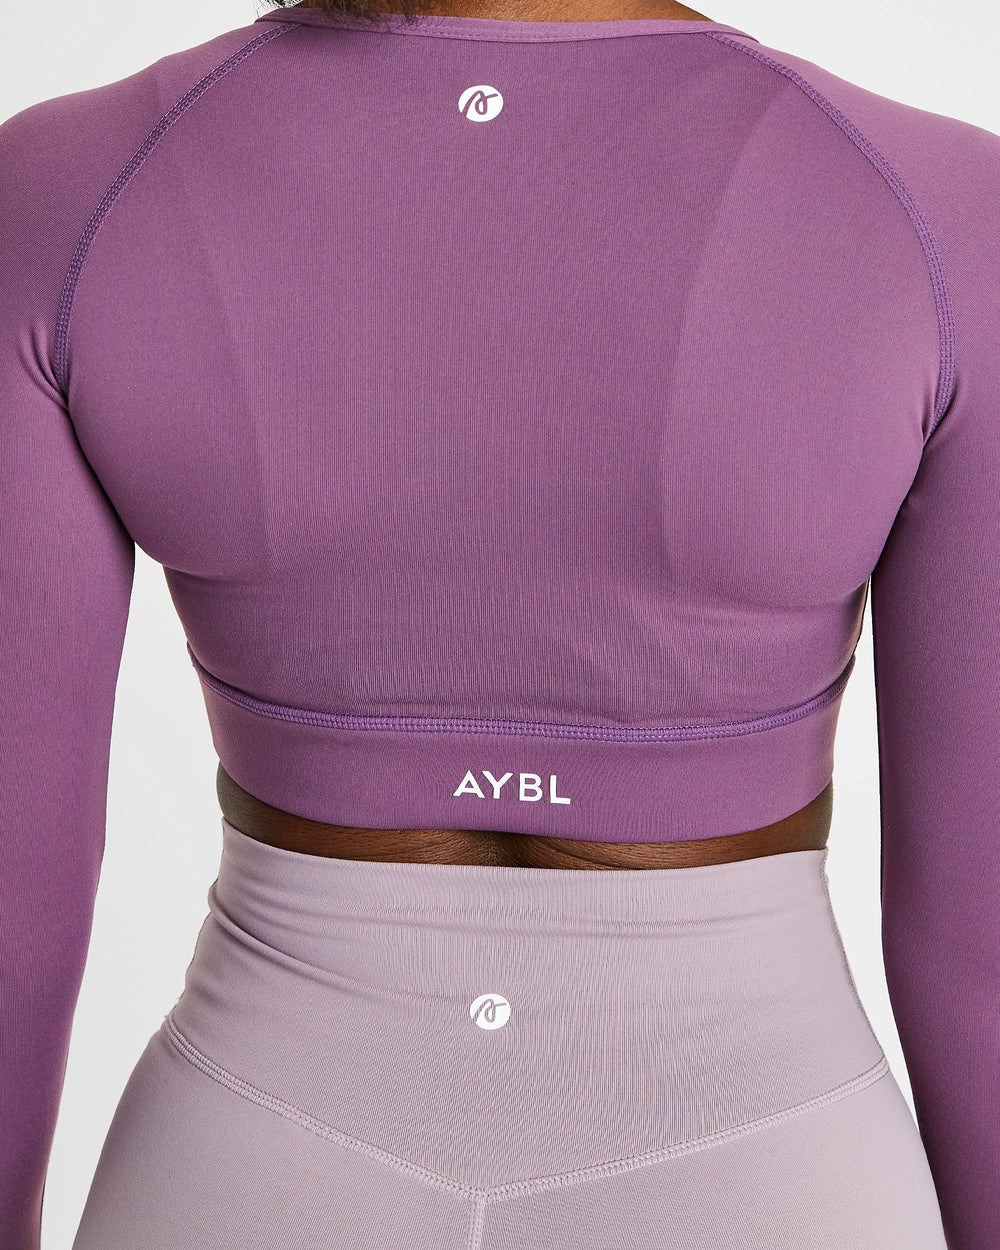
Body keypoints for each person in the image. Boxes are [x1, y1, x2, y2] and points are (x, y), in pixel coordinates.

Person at [1, 0, 996, 1245]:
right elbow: (981, 945)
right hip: (766, 1155)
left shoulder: (72, 190)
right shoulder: (936, 209)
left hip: (250, 1148)